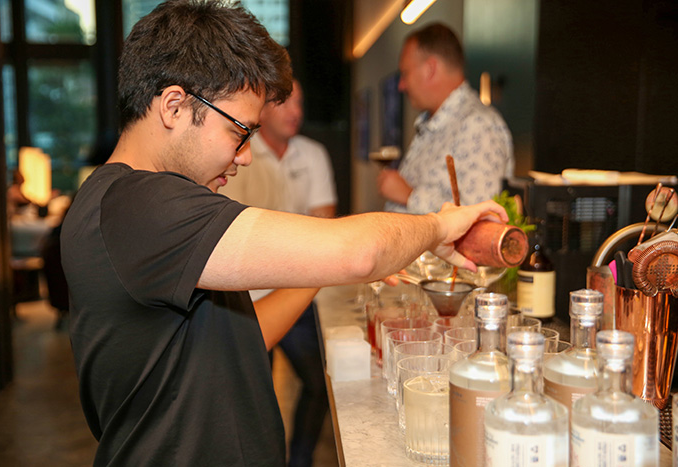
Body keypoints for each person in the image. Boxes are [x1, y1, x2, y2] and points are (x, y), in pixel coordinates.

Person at [59, 1, 508, 465]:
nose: (247, 156)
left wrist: (320, 266)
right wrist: (438, 226)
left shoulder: (137, 207)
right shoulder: (139, 205)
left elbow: (240, 345)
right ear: (174, 106)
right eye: (240, 131)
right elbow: (362, 252)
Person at [221, 79, 335, 466]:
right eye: (286, 102)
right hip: (244, 301)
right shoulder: (236, 155)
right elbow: (232, 235)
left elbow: (326, 224)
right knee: (251, 399)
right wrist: (303, 244)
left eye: (300, 102)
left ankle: (299, 459)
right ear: (261, 109)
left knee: (320, 383)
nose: (296, 111)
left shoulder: (313, 154)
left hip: (301, 293)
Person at [378, 23, 514, 214]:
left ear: (430, 69)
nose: (401, 85)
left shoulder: (479, 125)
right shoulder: (435, 122)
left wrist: (409, 195)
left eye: (405, 73)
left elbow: (480, 216)